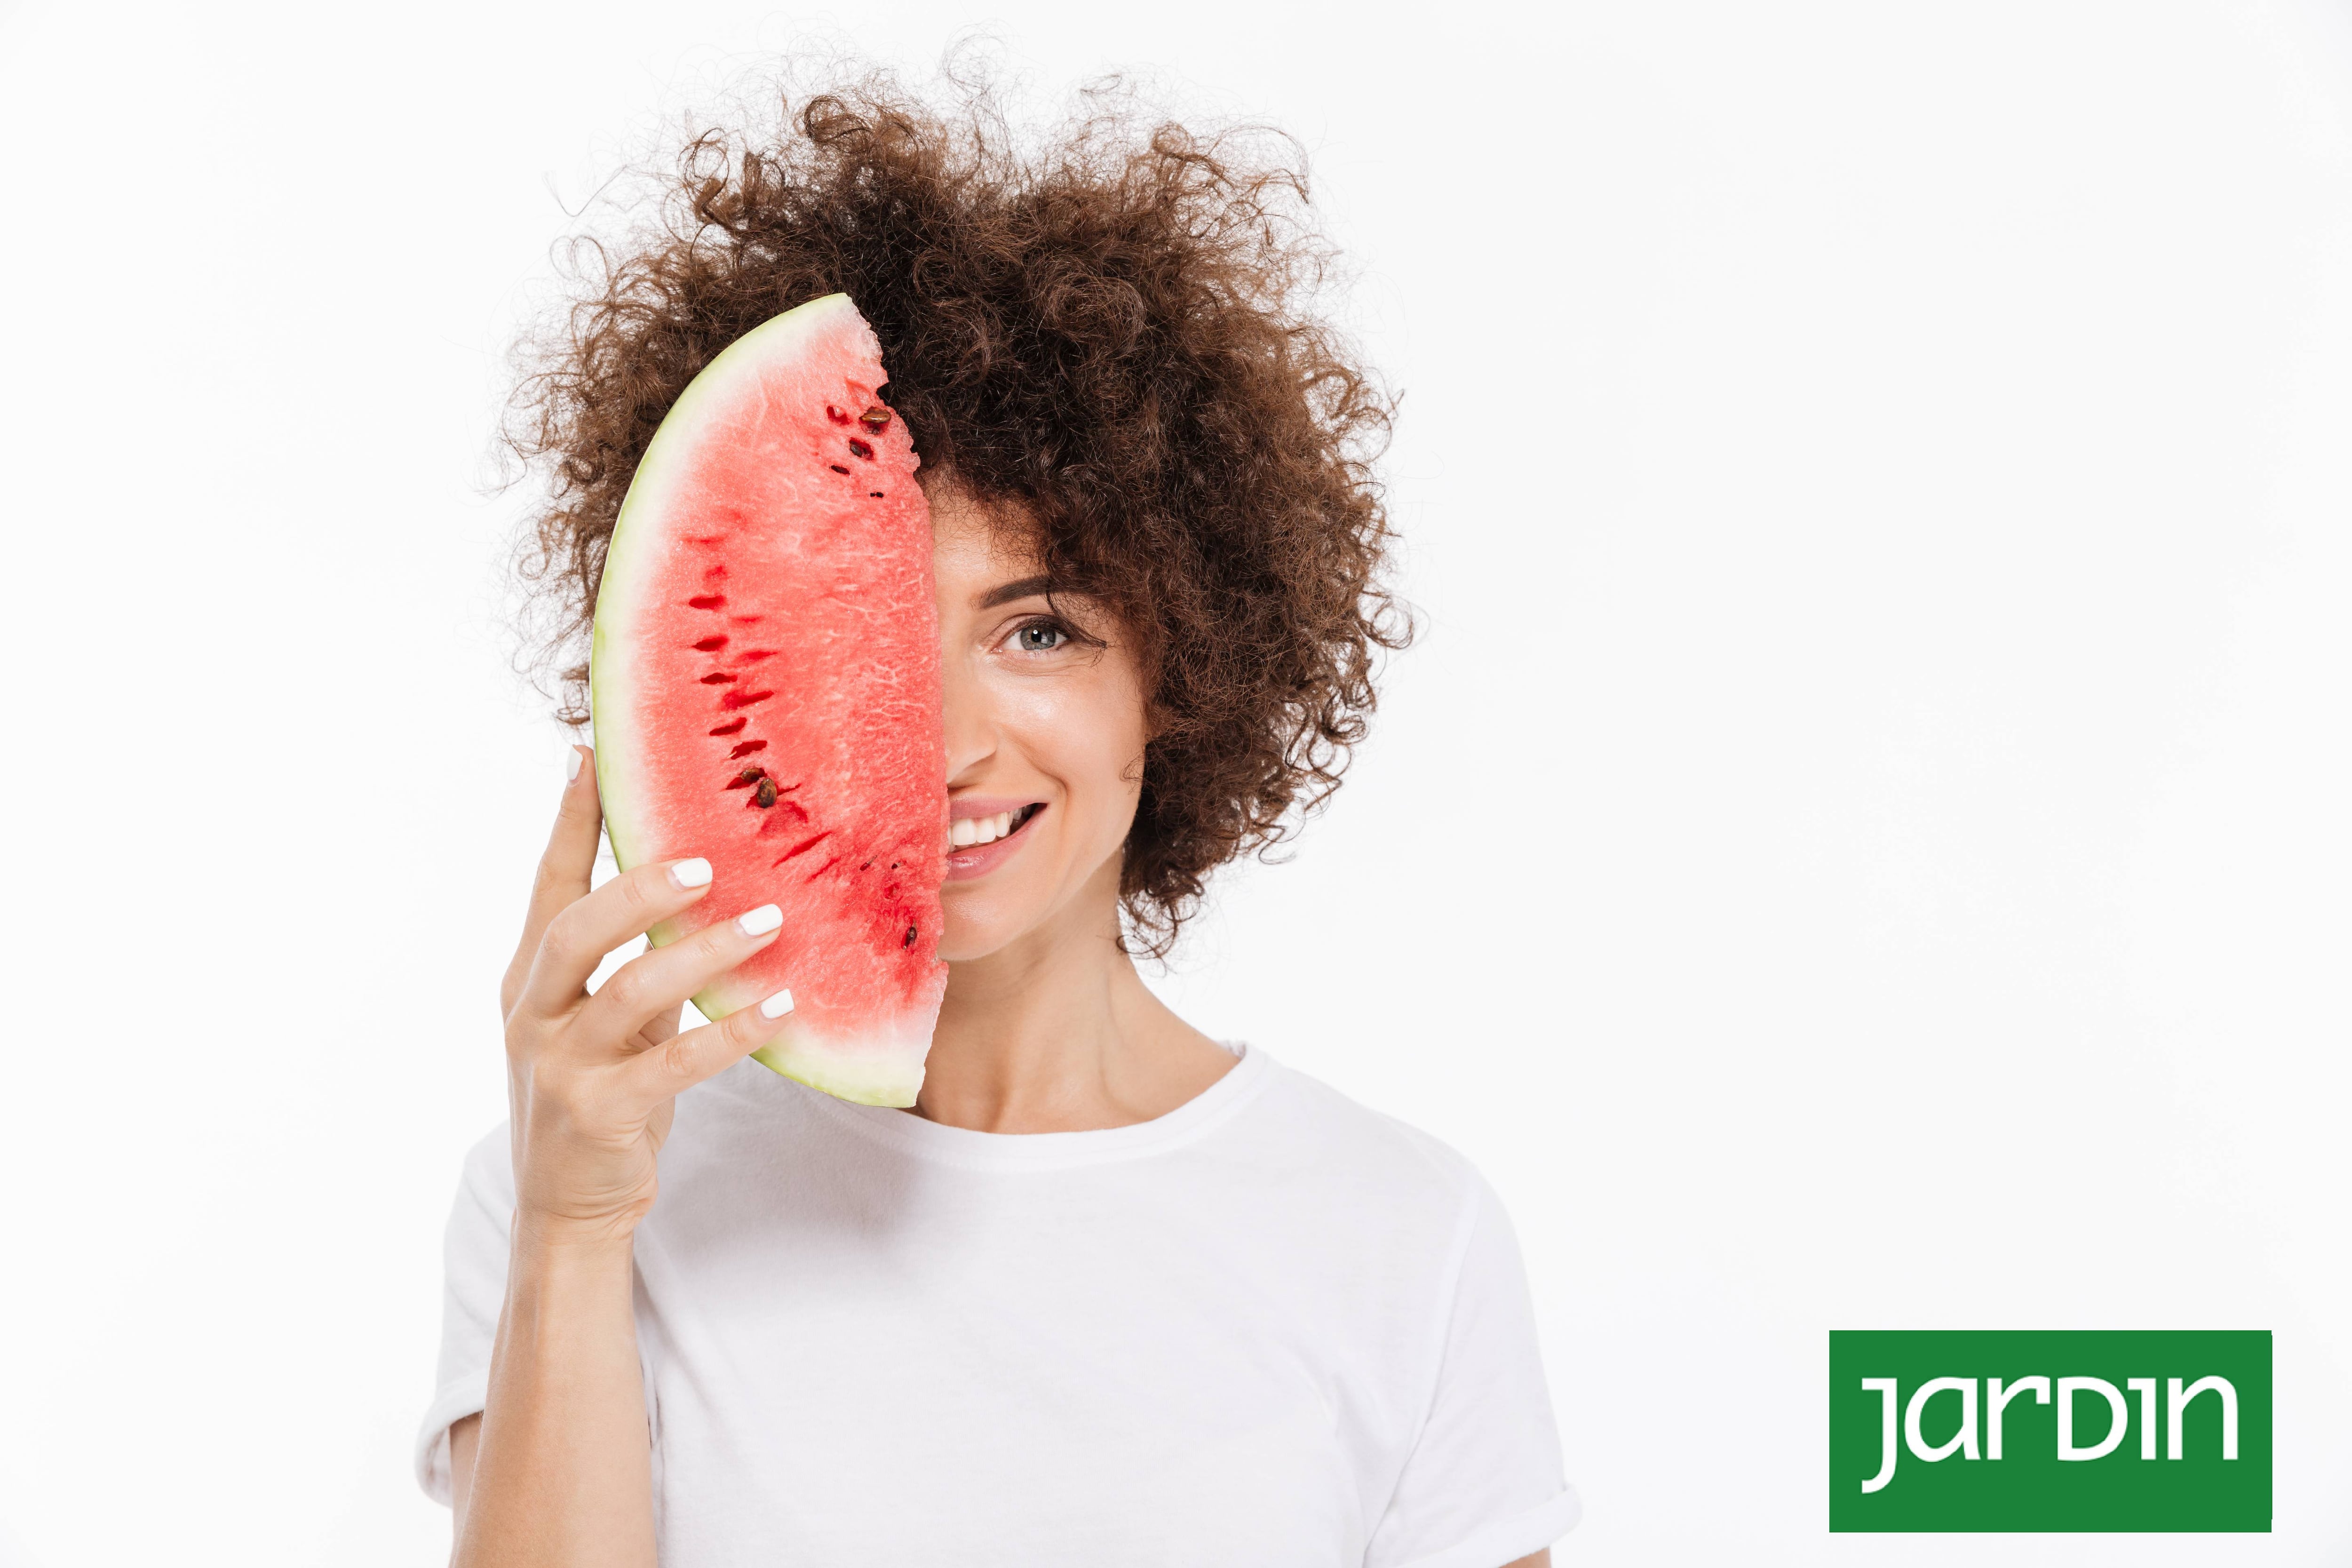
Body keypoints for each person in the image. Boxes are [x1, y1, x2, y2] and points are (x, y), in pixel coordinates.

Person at [419, 66, 1578, 1568]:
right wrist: (573, 1236)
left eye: (1040, 631)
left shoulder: (1403, 1237)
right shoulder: (585, 1184)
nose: (946, 740)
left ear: (1185, 661)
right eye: (863, 645)